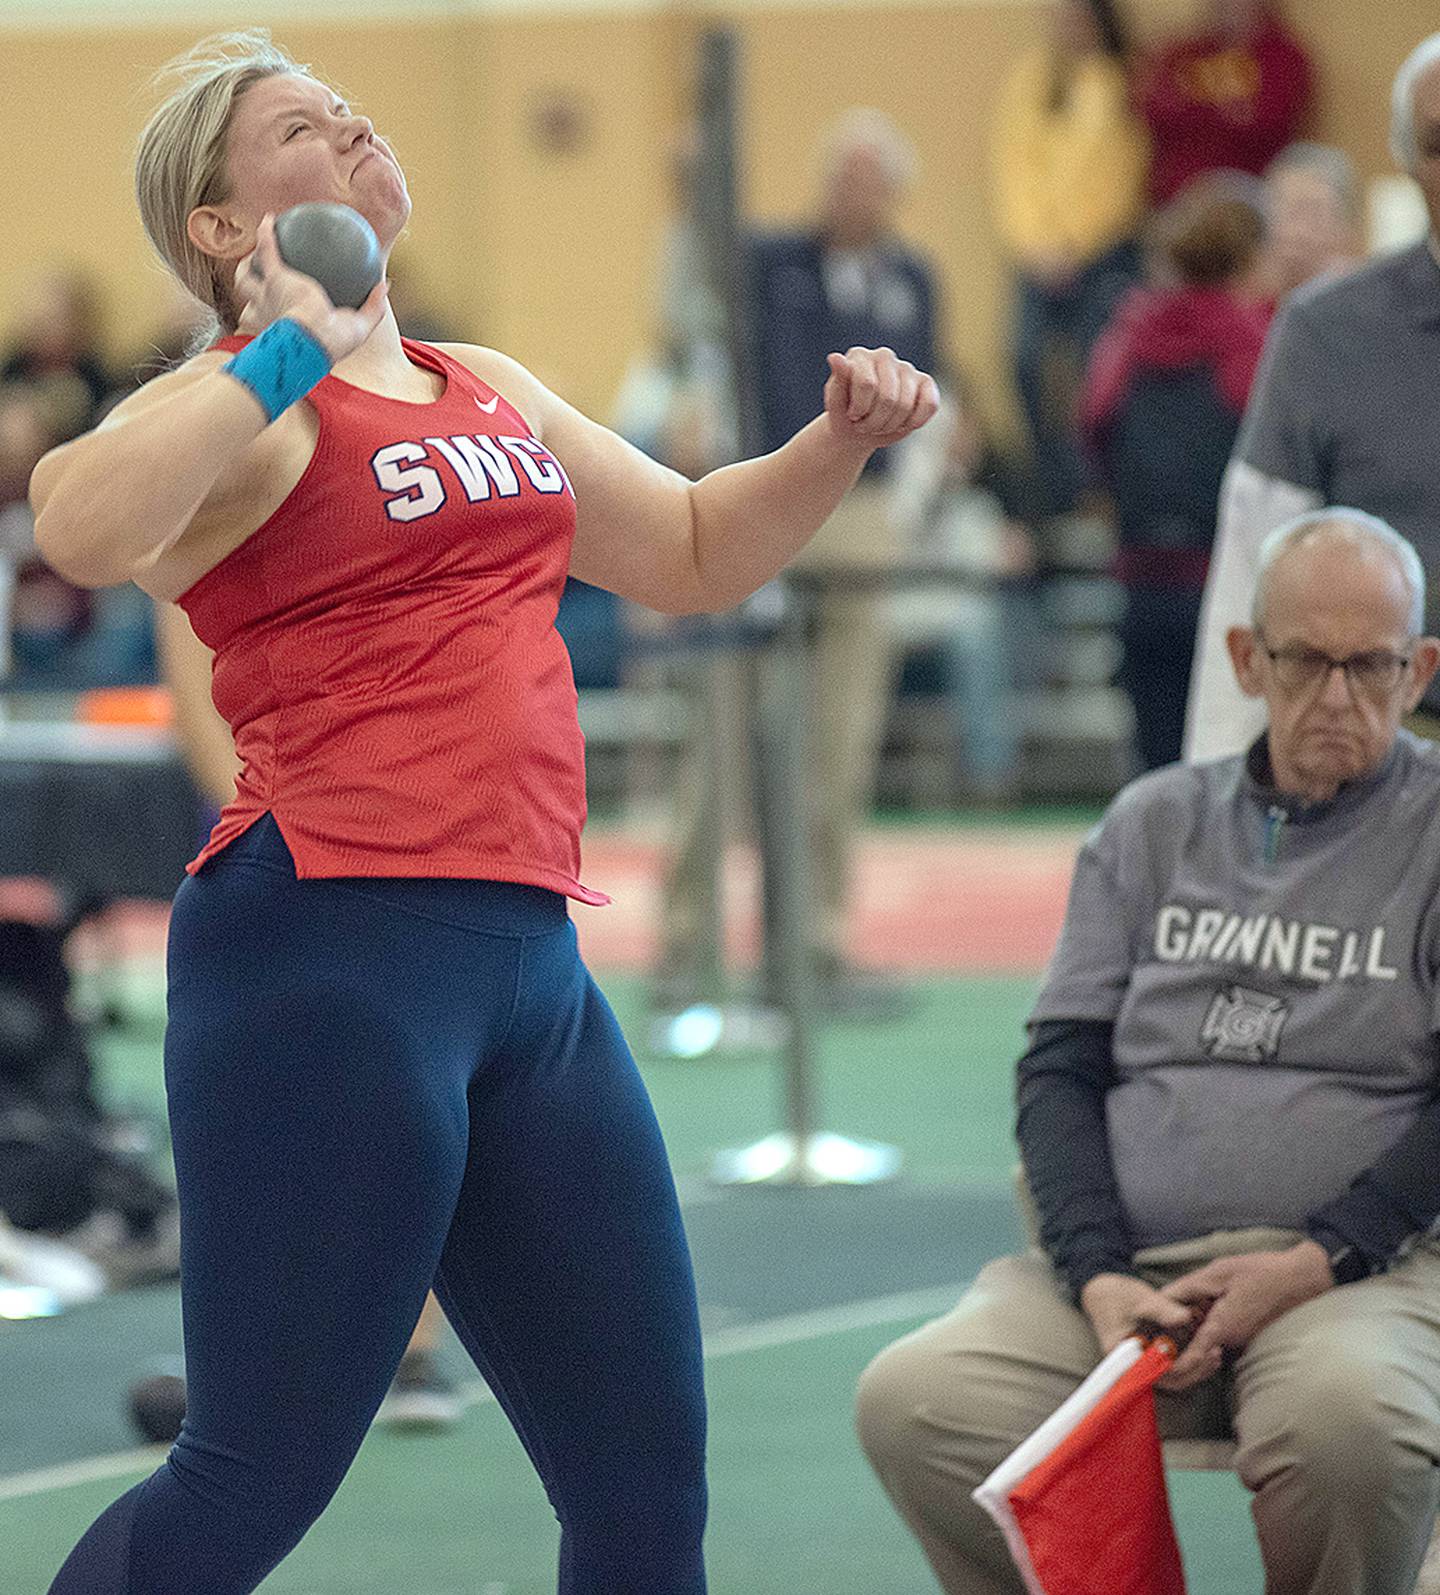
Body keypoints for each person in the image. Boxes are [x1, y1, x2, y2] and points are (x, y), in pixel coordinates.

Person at [28, 32, 938, 1595]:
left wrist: (837, 441)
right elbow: (80, 521)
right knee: (250, 1480)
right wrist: (278, 344)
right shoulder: (248, 410)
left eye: (351, 109)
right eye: (307, 127)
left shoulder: (480, 383)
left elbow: (700, 550)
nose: (356, 125)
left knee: (647, 1490)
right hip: (326, 961)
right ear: (222, 226)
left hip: (528, 976)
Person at [857, 509, 1440, 1595]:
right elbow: (1060, 1069)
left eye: (1373, 665)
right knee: (916, 1399)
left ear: (1420, 670)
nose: (1339, 696)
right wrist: (1098, 1272)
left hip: (1358, 1272)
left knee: (1354, 1428)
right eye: (1307, 660)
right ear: (1245, 659)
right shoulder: (1149, 823)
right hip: (1130, 1273)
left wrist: (1315, 1259)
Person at [154, 598, 464, 1429]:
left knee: (412, 1108)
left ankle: (410, 1350)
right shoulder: (209, 510)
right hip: (273, 847)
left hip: (422, 851)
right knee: (271, 1123)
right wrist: (287, 842)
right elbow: (195, 702)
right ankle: (250, 1365)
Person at [657, 108, 938, 1013]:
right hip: (769, 496)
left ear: (894, 195)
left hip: (863, 517)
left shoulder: (911, 278)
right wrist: (691, 186)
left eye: (870, 180)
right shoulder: (769, 261)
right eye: (840, 175)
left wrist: (915, 501)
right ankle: (686, 941)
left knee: (839, 741)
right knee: (726, 735)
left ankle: (814, 941)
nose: (851, 194)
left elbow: (934, 387)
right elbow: (696, 282)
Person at [1185, 31, 1440, 761]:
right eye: (1438, 142)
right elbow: (1249, 575)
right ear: (1403, 160)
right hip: (1379, 754)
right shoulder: (1326, 334)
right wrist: (1221, 792)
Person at [1081, 172, 1271, 768]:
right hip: (1225, 589)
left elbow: (1092, 431)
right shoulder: (1253, 348)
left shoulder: (1124, 341)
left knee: (1155, 769)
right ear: (1249, 257)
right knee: (1227, 770)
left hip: (1140, 583)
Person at [989, 0, 1149, 520]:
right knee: (1024, 361)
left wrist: (1076, 244)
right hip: (1035, 254)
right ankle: (1052, 483)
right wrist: (1034, 244)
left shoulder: (1122, 81)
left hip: (1102, 255)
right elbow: (1013, 167)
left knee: (1097, 369)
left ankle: (1094, 484)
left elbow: (1120, 174)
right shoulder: (1032, 79)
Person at [1138, 0, 1313, 207]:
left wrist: (1191, 106)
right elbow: (1153, 109)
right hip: (1173, 203)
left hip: (1248, 204)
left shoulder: (1283, 56)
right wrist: (1227, 111)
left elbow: (1267, 122)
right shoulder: (1182, 53)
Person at [1260, 141, 1364, 304]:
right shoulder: (1242, 299)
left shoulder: (1363, 301)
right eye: (1289, 213)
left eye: (1314, 215)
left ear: (1347, 228)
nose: (1298, 232)